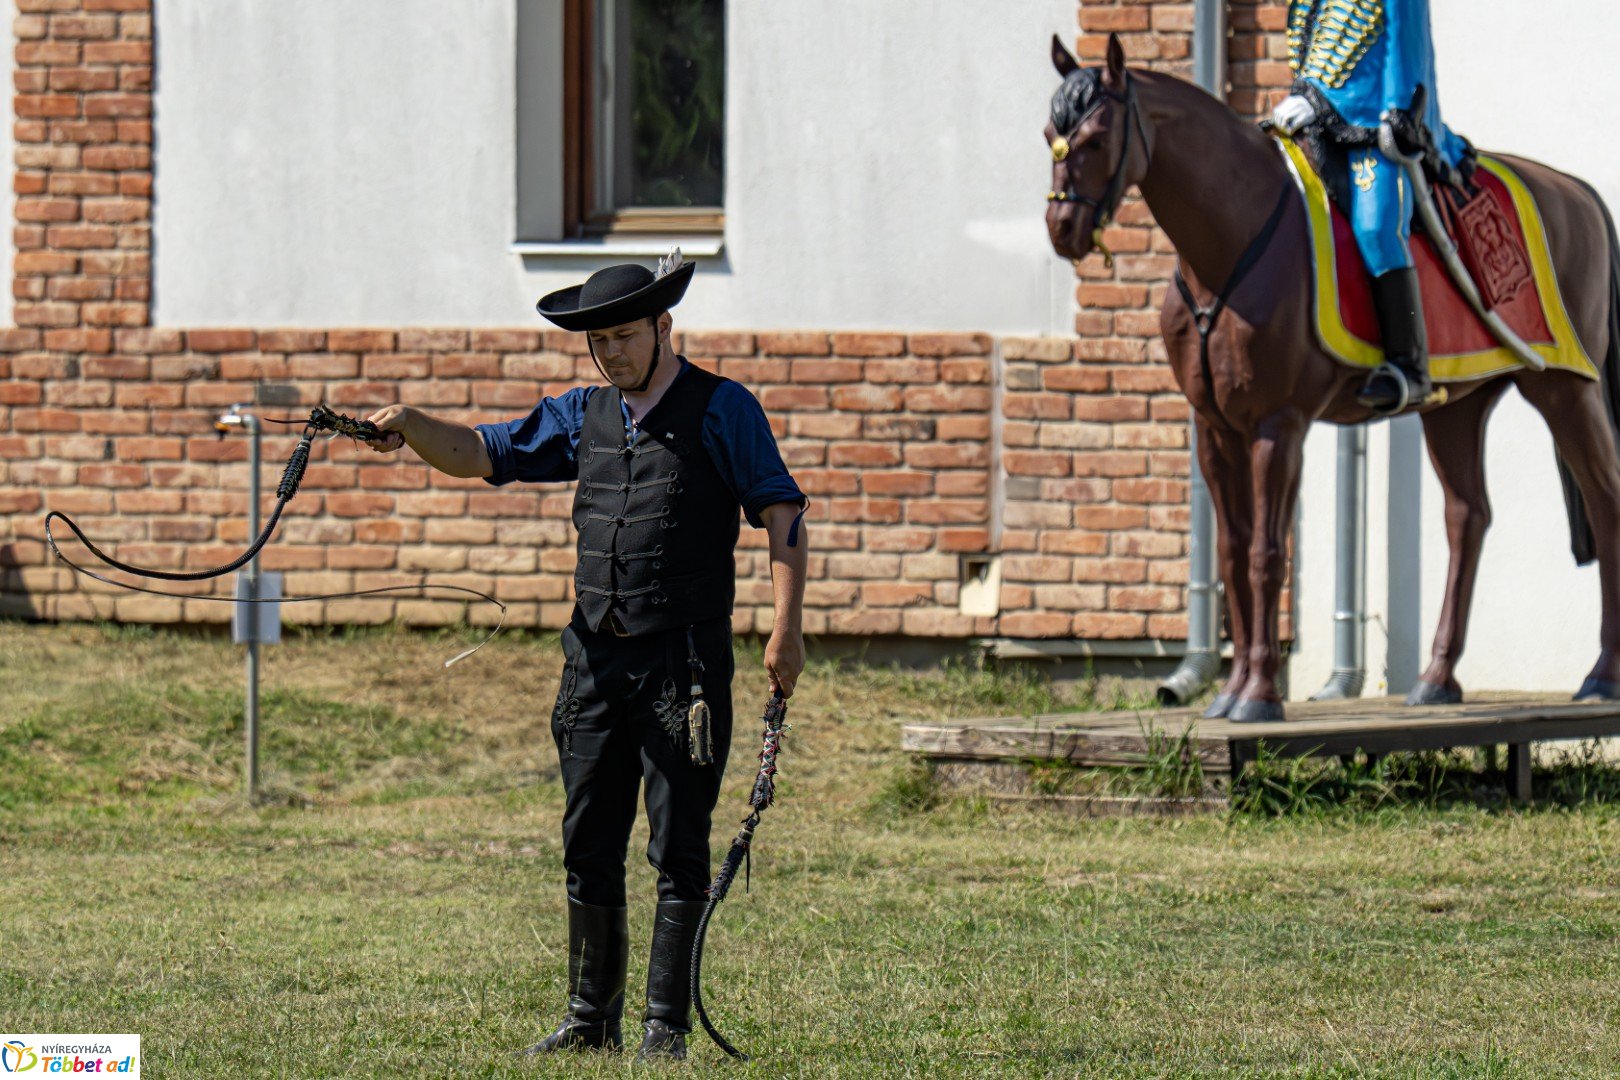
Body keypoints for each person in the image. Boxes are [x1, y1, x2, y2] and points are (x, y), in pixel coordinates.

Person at [361, 252, 809, 1061]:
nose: (613, 354)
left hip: (686, 668)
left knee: (679, 846)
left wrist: (787, 628)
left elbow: (780, 511)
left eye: (626, 336)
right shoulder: (582, 415)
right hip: (594, 666)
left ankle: (664, 1030)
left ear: (665, 327)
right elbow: (483, 452)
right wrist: (412, 425)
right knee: (588, 840)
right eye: (599, 341)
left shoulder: (723, 409)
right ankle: (589, 1019)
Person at [1270, 0, 1472, 414]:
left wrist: (1398, 117)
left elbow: (1405, 54)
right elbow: (1319, 53)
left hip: (1372, 129)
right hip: (1313, 124)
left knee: (1376, 228)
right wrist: (1308, 99)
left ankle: (1409, 365)